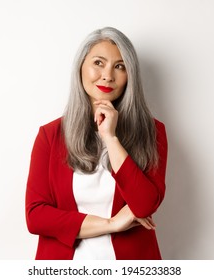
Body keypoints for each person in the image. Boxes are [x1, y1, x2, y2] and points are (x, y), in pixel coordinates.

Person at [25, 27, 168, 260]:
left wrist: (111, 138)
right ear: (81, 66)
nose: (108, 75)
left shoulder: (153, 132)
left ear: (130, 75)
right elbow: (35, 216)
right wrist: (111, 224)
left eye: (120, 66)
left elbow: (144, 206)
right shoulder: (50, 135)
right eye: (98, 63)